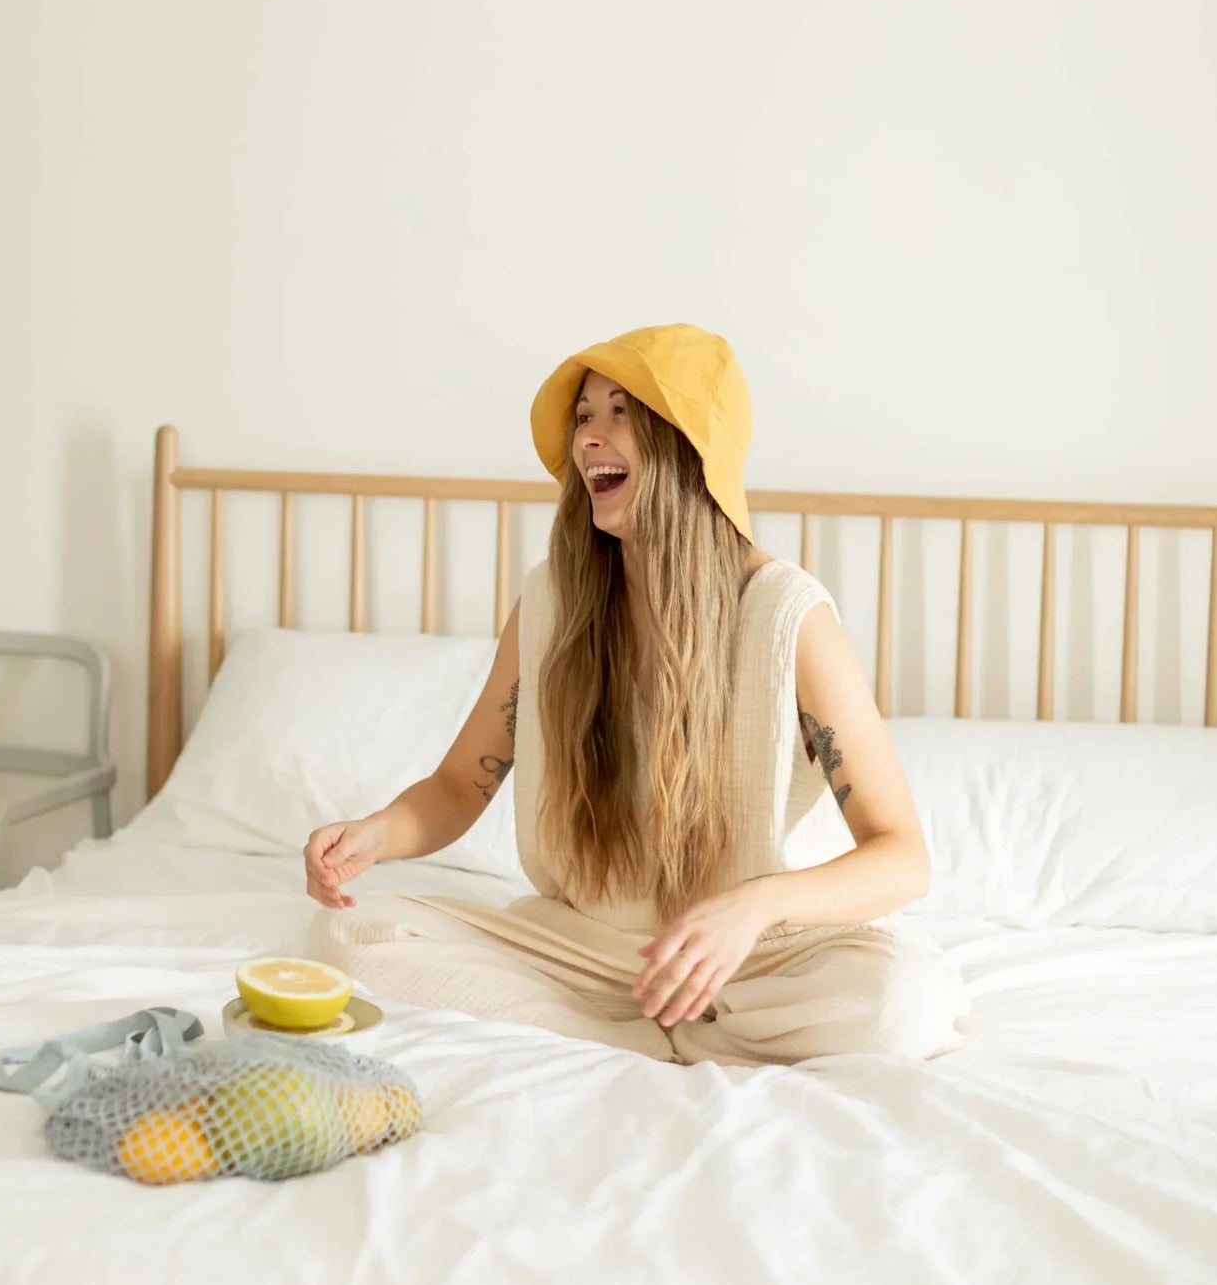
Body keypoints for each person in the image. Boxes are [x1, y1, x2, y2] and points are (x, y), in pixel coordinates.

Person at [303, 323, 971, 1068]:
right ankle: (654, 1039)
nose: (590, 436)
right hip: (585, 952)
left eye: (621, 411)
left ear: (688, 443)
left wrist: (754, 905)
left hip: (755, 958)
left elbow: (901, 856)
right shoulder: (552, 601)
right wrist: (378, 832)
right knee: (348, 940)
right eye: (583, 416)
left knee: (894, 1005)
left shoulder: (788, 616)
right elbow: (460, 784)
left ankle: (639, 1035)